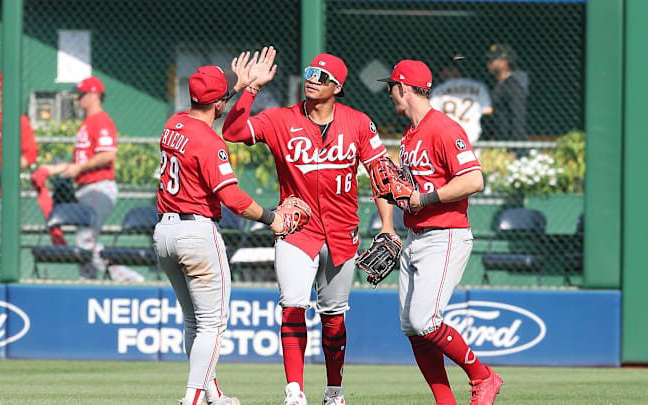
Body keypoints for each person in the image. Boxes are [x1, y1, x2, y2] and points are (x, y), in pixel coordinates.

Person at [223, 47, 396, 405]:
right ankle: (294, 391)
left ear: (337, 87)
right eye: (309, 74)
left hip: (342, 230)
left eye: (322, 77)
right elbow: (234, 130)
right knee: (292, 305)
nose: (312, 80)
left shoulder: (359, 123)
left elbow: (381, 177)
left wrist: (388, 227)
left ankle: (334, 391)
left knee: (333, 318)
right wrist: (250, 89)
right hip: (296, 228)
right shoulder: (280, 119)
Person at [154, 62, 298, 405]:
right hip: (197, 234)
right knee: (212, 325)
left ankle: (212, 393)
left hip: (164, 232)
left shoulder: (174, 122)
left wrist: (242, 87)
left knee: (195, 322)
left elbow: (210, 103)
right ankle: (191, 399)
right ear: (220, 104)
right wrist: (272, 218)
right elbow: (233, 199)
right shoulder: (209, 142)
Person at [377, 60, 503, 405]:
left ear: (404, 87)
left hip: (444, 233)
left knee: (425, 320)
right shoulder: (409, 136)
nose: (389, 93)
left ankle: (483, 377)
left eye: (391, 86)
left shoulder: (443, 128)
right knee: (412, 328)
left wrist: (424, 197)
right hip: (415, 236)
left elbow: (474, 180)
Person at [41, 76, 121, 280]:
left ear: (95, 95)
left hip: (97, 187)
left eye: (81, 94)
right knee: (84, 242)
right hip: (86, 187)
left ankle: (126, 278)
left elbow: (108, 154)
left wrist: (79, 168)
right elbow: (79, 163)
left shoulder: (101, 121)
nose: (78, 99)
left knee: (85, 242)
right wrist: (54, 169)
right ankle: (88, 283)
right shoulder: (87, 123)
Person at [0, 71, 39, 279]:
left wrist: (7, 171)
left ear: (0, 92)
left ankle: (1, 281)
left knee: (0, 241)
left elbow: (30, 154)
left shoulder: (16, 119)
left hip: (1, 192)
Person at [429, 62, 492, 145]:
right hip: (473, 135)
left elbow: (432, 115)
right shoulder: (478, 86)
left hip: (448, 136)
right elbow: (487, 111)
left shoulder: (439, 89)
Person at [484, 43, 527, 142]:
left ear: (505, 62)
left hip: (512, 144)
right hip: (501, 141)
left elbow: (518, 118)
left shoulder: (513, 85)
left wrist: (514, 148)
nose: (489, 63)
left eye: (493, 60)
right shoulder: (499, 85)